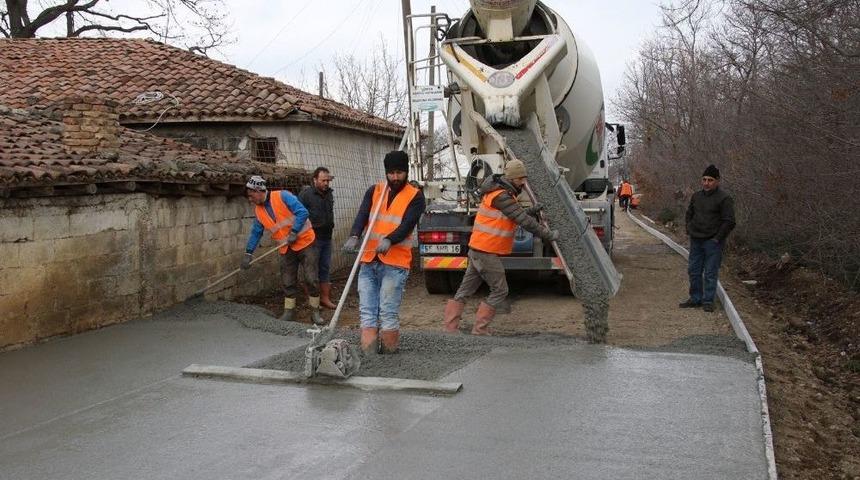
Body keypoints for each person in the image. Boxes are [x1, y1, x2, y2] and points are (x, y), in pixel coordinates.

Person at [442, 160, 559, 335]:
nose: (523, 182)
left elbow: (511, 215)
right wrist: (549, 235)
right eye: (521, 178)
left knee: (465, 290)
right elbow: (523, 220)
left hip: (477, 249)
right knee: (500, 290)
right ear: (512, 178)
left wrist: (532, 210)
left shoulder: (499, 193)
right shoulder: (502, 195)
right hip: (486, 251)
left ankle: (450, 329)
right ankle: (480, 329)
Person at [342, 151, 426, 354]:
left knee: (388, 311)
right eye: (391, 173)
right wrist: (354, 235)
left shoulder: (416, 196)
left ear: (406, 172)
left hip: (395, 263)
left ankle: (389, 352)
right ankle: (369, 352)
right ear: (386, 172)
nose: (395, 177)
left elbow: (407, 224)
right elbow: (362, 215)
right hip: (369, 259)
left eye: (399, 173)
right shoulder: (375, 191)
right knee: (367, 310)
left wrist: (390, 239)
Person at [241, 175, 323, 324]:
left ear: (259, 190)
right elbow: (256, 233)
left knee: (311, 279)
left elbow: (302, 212)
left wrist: (294, 232)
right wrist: (248, 253)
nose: (250, 199)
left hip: (305, 242)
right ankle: (289, 312)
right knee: (287, 280)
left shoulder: (282, 196)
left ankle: (315, 312)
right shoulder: (259, 211)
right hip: (286, 248)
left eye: (251, 195)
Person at [679, 165, 736, 312]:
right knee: (693, 270)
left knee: (710, 272)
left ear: (717, 181)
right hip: (696, 239)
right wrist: (689, 228)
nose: (706, 183)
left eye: (710, 180)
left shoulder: (724, 199)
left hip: (713, 242)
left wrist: (717, 238)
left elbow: (729, 221)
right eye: (704, 179)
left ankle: (708, 301)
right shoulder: (696, 196)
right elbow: (689, 213)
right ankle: (695, 298)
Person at [299, 167, 337, 310]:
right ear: (315, 180)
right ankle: (312, 300)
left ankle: (325, 299)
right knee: (311, 270)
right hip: (311, 238)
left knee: (325, 268)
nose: (326, 183)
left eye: (328, 180)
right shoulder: (306, 195)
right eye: (323, 180)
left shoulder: (329, 194)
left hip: (327, 237)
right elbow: (298, 214)